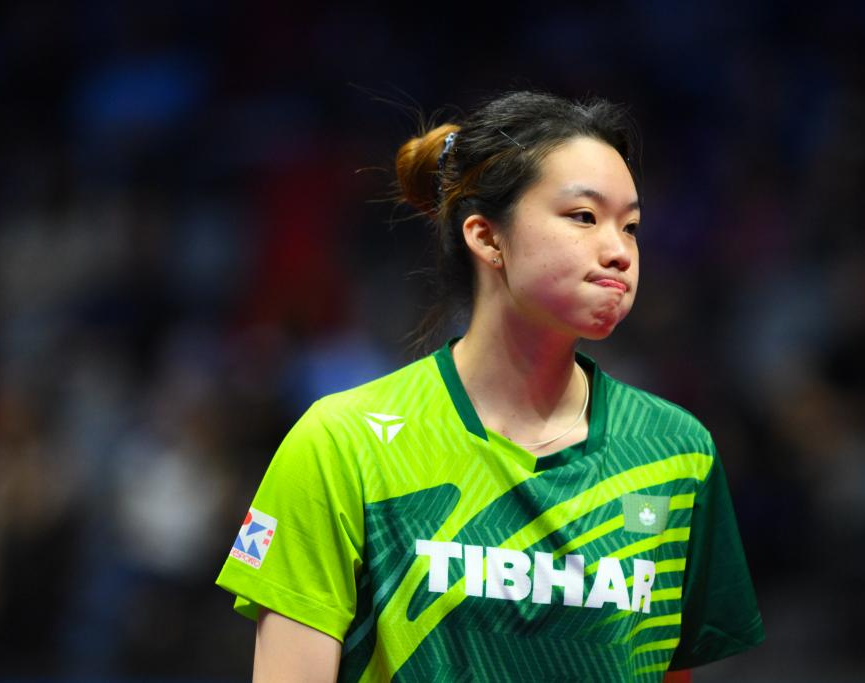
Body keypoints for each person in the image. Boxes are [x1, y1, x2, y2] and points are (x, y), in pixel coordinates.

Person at [216, 91, 764, 682]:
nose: (619, 252)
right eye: (584, 217)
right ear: (486, 237)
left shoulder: (676, 453)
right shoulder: (343, 444)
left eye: (630, 227)